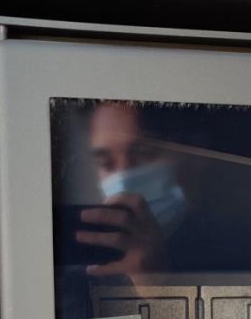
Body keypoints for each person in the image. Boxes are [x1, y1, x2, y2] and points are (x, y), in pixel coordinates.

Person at [75, 102, 188, 277]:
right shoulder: (83, 275)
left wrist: (157, 284)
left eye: (144, 152)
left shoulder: (228, 250)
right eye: (106, 162)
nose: (123, 177)